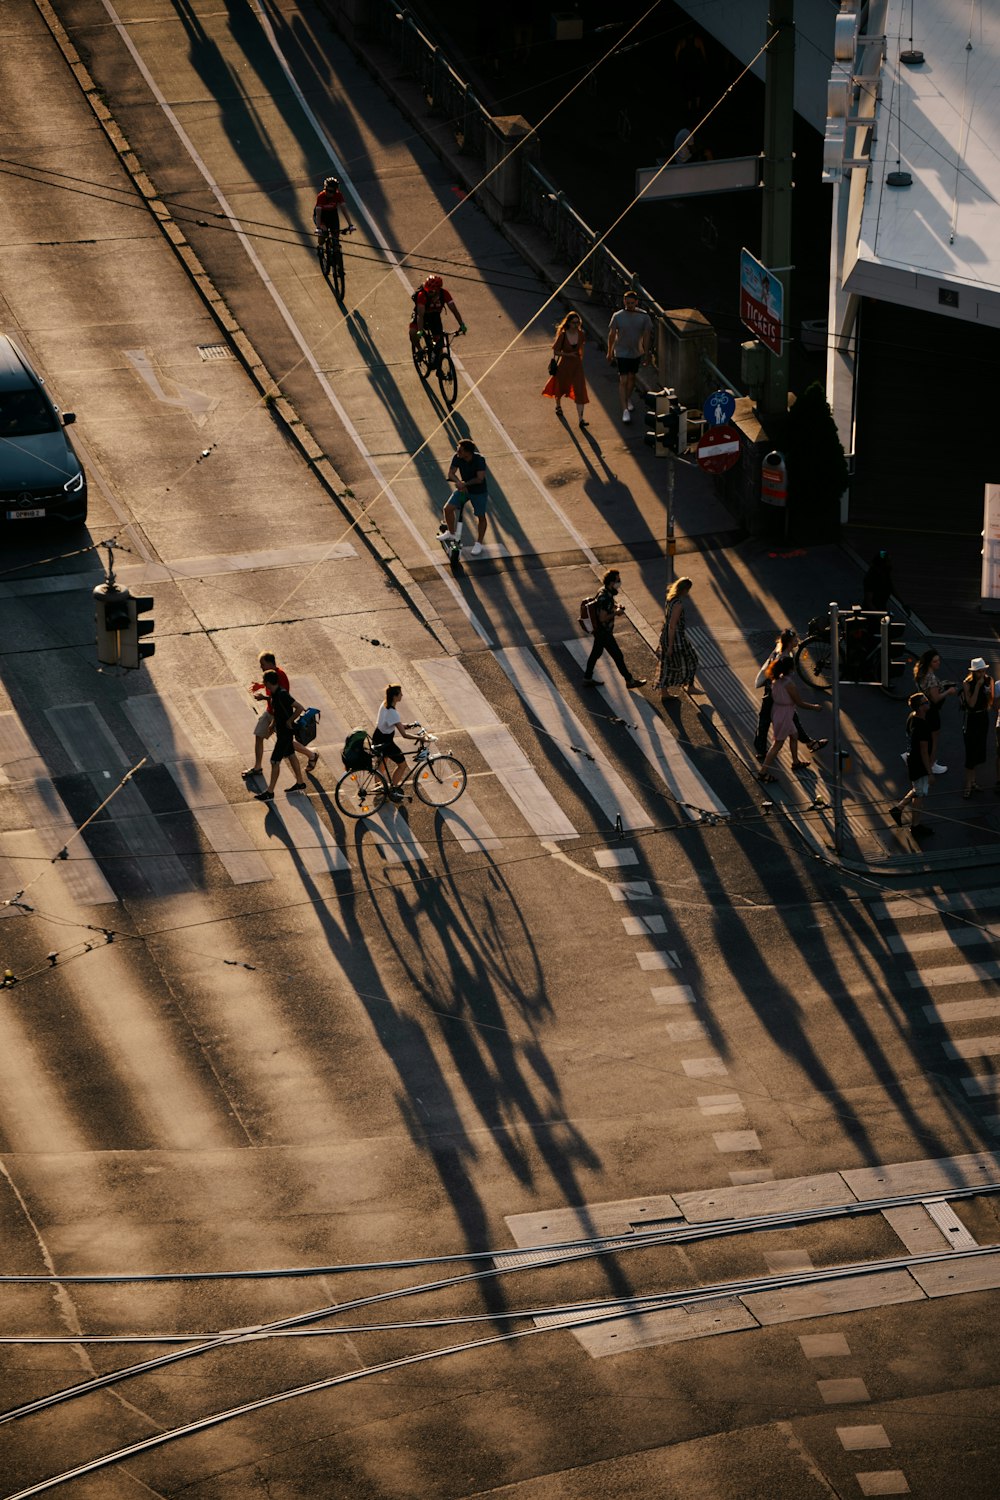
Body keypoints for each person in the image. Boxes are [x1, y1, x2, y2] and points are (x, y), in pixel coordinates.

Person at [753, 628, 829, 760]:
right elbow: (779, 678)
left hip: (774, 692)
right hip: (775, 694)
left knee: (787, 719)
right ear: (789, 642)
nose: (797, 641)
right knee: (768, 721)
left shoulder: (782, 651)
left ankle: (809, 744)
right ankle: (762, 754)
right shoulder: (784, 657)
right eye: (795, 640)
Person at [243, 651, 318, 779]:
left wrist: (263, 698)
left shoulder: (281, 676)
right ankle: (257, 767)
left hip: (279, 715)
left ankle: (311, 755)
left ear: (270, 663)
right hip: (270, 712)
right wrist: (260, 685)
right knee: (259, 735)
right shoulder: (270, 675)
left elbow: (281, 698)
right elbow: (269, 683)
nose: (261, 667)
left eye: (262, 664)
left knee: (287, 742)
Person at [756, 656, 823, 783]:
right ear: (790, 668)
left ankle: (795, 762)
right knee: (777, 745)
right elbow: (799, 703)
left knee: (794, 735)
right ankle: (762, 773)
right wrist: (814, 707)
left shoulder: (775, 680)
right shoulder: (789, 683)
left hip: (778, 712)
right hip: (785, 715)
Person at [583, 569, 646, 690]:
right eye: (618, 580)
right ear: (612, 582)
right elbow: (602, 617)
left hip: (600, 631)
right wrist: (617, 613)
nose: (619, 582)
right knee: (618, 656)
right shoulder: (605, 596)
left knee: (596, 653)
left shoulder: (603, 591)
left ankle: (587, 678)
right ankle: (630, 680)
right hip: (604, 632)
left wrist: (616, 606)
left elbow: (603, 608)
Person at [253, 671, 308, 801]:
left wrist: (289, 721)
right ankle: (300, 782)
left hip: (285, 734)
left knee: (274, 761)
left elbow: (299, 707)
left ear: (267, 683)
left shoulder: (282, 694)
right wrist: (273, 724)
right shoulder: (275, 693)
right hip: (282, 732)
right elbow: (278, 711)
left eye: (264, 682)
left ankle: (270, 792)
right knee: (291, 754)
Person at [606, 290, 653, 424]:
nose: (630, 306)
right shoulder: (618, 316)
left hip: (636, 352)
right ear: (624, 302)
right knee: (623, 379)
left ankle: (627, 398)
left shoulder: (644, 316)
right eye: (627, 303)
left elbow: (647, 336)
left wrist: (647, 353)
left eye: (632, 303)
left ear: (636, 302)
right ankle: (625, 409)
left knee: (632, 377)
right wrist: (610, 352)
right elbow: (611, 335)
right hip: (621, 351)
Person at [889, 693, 934, 833]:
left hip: (912, 759)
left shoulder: (912, 717)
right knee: (920, 795)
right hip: (919, 763)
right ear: (920, 707)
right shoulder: (922, 726)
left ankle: (899, 808)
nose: (928, 703)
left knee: (917, 790)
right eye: (925, 702)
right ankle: (915, 826)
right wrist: (929, 772)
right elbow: (924, 751)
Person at [441, 438, 489, 556]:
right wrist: (459, 482)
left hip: (478, 491)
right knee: (448, 509)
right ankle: (451, 533)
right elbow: (451, 473)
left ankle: (478, 543)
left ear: (468, 452)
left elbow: (480, 478)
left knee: (480, 516)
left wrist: (465, 484)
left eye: (460, 450)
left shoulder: (479, 460)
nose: (457, 452)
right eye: (458, 449)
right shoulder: (457, 457)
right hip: (464, 489)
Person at [542, 311, 589, 427]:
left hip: (577, 366)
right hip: (564, 365)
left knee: (580, 391)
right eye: (574, 323)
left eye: (578, 323)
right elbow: (556, 351)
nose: (576, 325)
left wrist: (579, 359)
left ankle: (581, 419)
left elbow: (581, 349)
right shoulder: (563, 335)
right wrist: (569, 355)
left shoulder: (581, 334)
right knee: (560, 386)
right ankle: (558, 405)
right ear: (568, 323)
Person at [373, 683, 420, 800]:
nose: (402, 695)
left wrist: (408, 725)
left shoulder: (384, 704)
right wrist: (420, 738)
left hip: (378, 736)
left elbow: (394, 723)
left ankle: (379, 789)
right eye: (400, 694)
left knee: (382, 764)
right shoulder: (393, 713)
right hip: (386, 742)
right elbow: (404, 735)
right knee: (402, 765)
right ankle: (393, 790)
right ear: (395, 696)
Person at [656, 577, 698, 701]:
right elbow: (673, 625)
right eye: (688, 590)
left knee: (666, 663)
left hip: (666, 635)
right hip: (676, 638)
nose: (688, 592)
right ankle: (689, 686)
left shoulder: (670, 599)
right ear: (684, 590)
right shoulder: (678, 604)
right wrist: (670, 645)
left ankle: (665, 692)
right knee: (692, 658)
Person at [913, 649, 955, 775]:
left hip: (923, 710)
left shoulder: (922, 674)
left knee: (923, 737)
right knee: (933, 739)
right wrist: (948, 691)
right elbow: (935, 698)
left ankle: (915, 758)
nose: (938, 663)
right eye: (935, 661)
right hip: (932, 712)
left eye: (938, 660)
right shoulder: (931, 677)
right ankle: (931, 765)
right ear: (930, 663)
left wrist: (941, 685)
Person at [960, 656, 994, 797]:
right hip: (971, 718)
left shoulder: (989, 680)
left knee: (979, 751)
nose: (982, 674)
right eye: (979, 671)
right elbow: (971, 703)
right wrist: (978, 686)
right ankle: (968, 785)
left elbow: (991, 701)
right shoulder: (967, 683)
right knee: (970, 752)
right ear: (974, 672)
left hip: (982, 717)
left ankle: (973, 781)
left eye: (983, 671)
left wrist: (987, 692)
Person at [411, 274, 466, 347]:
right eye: (427, 290)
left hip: (434, 316)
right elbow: (420, 316)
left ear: (438, 290)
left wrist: (461, 324)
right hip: (422, 316)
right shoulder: (422, 295)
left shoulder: (444, 294)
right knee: (412, 333)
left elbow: (454, 310)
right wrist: (420, 330)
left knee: (440, 344)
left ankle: (436, 354)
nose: (428, 292)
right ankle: (419, 350)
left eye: (431, 291)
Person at [312, 175, 354, 240]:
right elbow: (318, 214)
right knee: (323, 235)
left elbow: (344, 209)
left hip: (332, 214)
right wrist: (318, 227)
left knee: (336, 237)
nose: (328, 193)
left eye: (331, 191)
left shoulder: (338, 195)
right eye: (327, 190)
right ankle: (320, 245)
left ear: (336, 191)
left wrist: (350, 225)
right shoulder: (321, 196)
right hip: (322, 215)